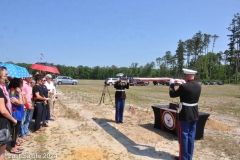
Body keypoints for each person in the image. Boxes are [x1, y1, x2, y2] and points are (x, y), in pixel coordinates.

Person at [169, 68, 201, 160]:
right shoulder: (199, 85)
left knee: (184, 137)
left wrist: (171, 85)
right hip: (195, 112)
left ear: (186, 76)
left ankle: (183, 158)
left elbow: (172, 94)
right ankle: (189, 157)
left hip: (186, 113)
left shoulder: (184, 87)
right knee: (191, 137)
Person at [0, 67, 17, 159]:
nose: (7, 77)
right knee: (1, 152)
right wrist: (13, 119)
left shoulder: (4, 87)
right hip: (2, 121)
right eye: (5, 75)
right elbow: (2, 110)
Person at [8, 79, 25, 154]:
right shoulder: (12, 96)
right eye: (18, 87)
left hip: (19, 115)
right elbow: (20, 103)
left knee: (16, 132)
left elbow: (24, 101)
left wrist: (21, 94)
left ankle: (15, 145)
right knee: (14, 132)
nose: (19, 88)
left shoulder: (18, 95)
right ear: (14, 88)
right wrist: (20, 93)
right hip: (15, 116)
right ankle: (12, 148)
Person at [20, 75, 34, 141]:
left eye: (31, 77)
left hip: (29, 104)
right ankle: (22, 134)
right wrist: (25, 106)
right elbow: (23, 96)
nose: (31, 78)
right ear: (26, 77)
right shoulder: (23, 84)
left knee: (28, 119)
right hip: (25, 105)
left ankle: (26, 131)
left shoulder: (29, 84)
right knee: (23, 120)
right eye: (30, 77)